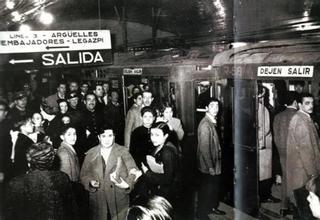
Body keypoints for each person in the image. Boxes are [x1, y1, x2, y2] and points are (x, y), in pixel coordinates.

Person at [4, 141, 77, 220]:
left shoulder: (17, 183)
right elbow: (71, 210)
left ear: (29, 162)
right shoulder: (62, 178)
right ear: (52, 161)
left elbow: (9, 215)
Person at [80, 126, 140, 220]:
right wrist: (90, 182)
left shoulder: (123, 151)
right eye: (103, 136)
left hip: (118, 198)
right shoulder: (91, 153)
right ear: (99, 137)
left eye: (110, 136)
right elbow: (84, 175)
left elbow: (133, 170)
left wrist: (127, 184)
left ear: (114, 136)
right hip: (98, 199)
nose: (107, 139)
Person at [287, 93, 320, 220]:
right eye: (307, 103)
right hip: (304, 174)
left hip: (300, 173)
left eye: (312, 103)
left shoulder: (304, 118)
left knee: (300, 209)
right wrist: (313, 175)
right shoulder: (301, 121)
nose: (311, 106)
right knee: (307, 210)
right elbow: (306, 151)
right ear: (299, 105)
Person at [197, 98, 225, 219]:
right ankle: (201, 214)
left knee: (213, 188)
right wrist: (210, 167)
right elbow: (204, 148)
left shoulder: (212, 121)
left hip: (214, 163)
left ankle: (212, 207)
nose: (215, 109)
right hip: (208, 164)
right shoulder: (205, 124)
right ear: (207, 108)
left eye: (217, 106)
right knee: (206, 190)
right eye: (212, 106)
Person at [273, 91, 299, 216]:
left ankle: (283, 207)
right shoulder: (300, 116)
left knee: (285, 179)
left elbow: (276, 137)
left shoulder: (278, 116)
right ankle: (295, 206)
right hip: (296, 154)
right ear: (295, 102)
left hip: (282, 152)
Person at [140, 122, 179, 204]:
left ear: (166, 136)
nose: (153, 138)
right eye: (152, 134)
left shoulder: (167, 152)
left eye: (157, 135)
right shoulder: (160, 146)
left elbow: (168, 179)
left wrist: (147, 172)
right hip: (161, 190)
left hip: (165, 194)